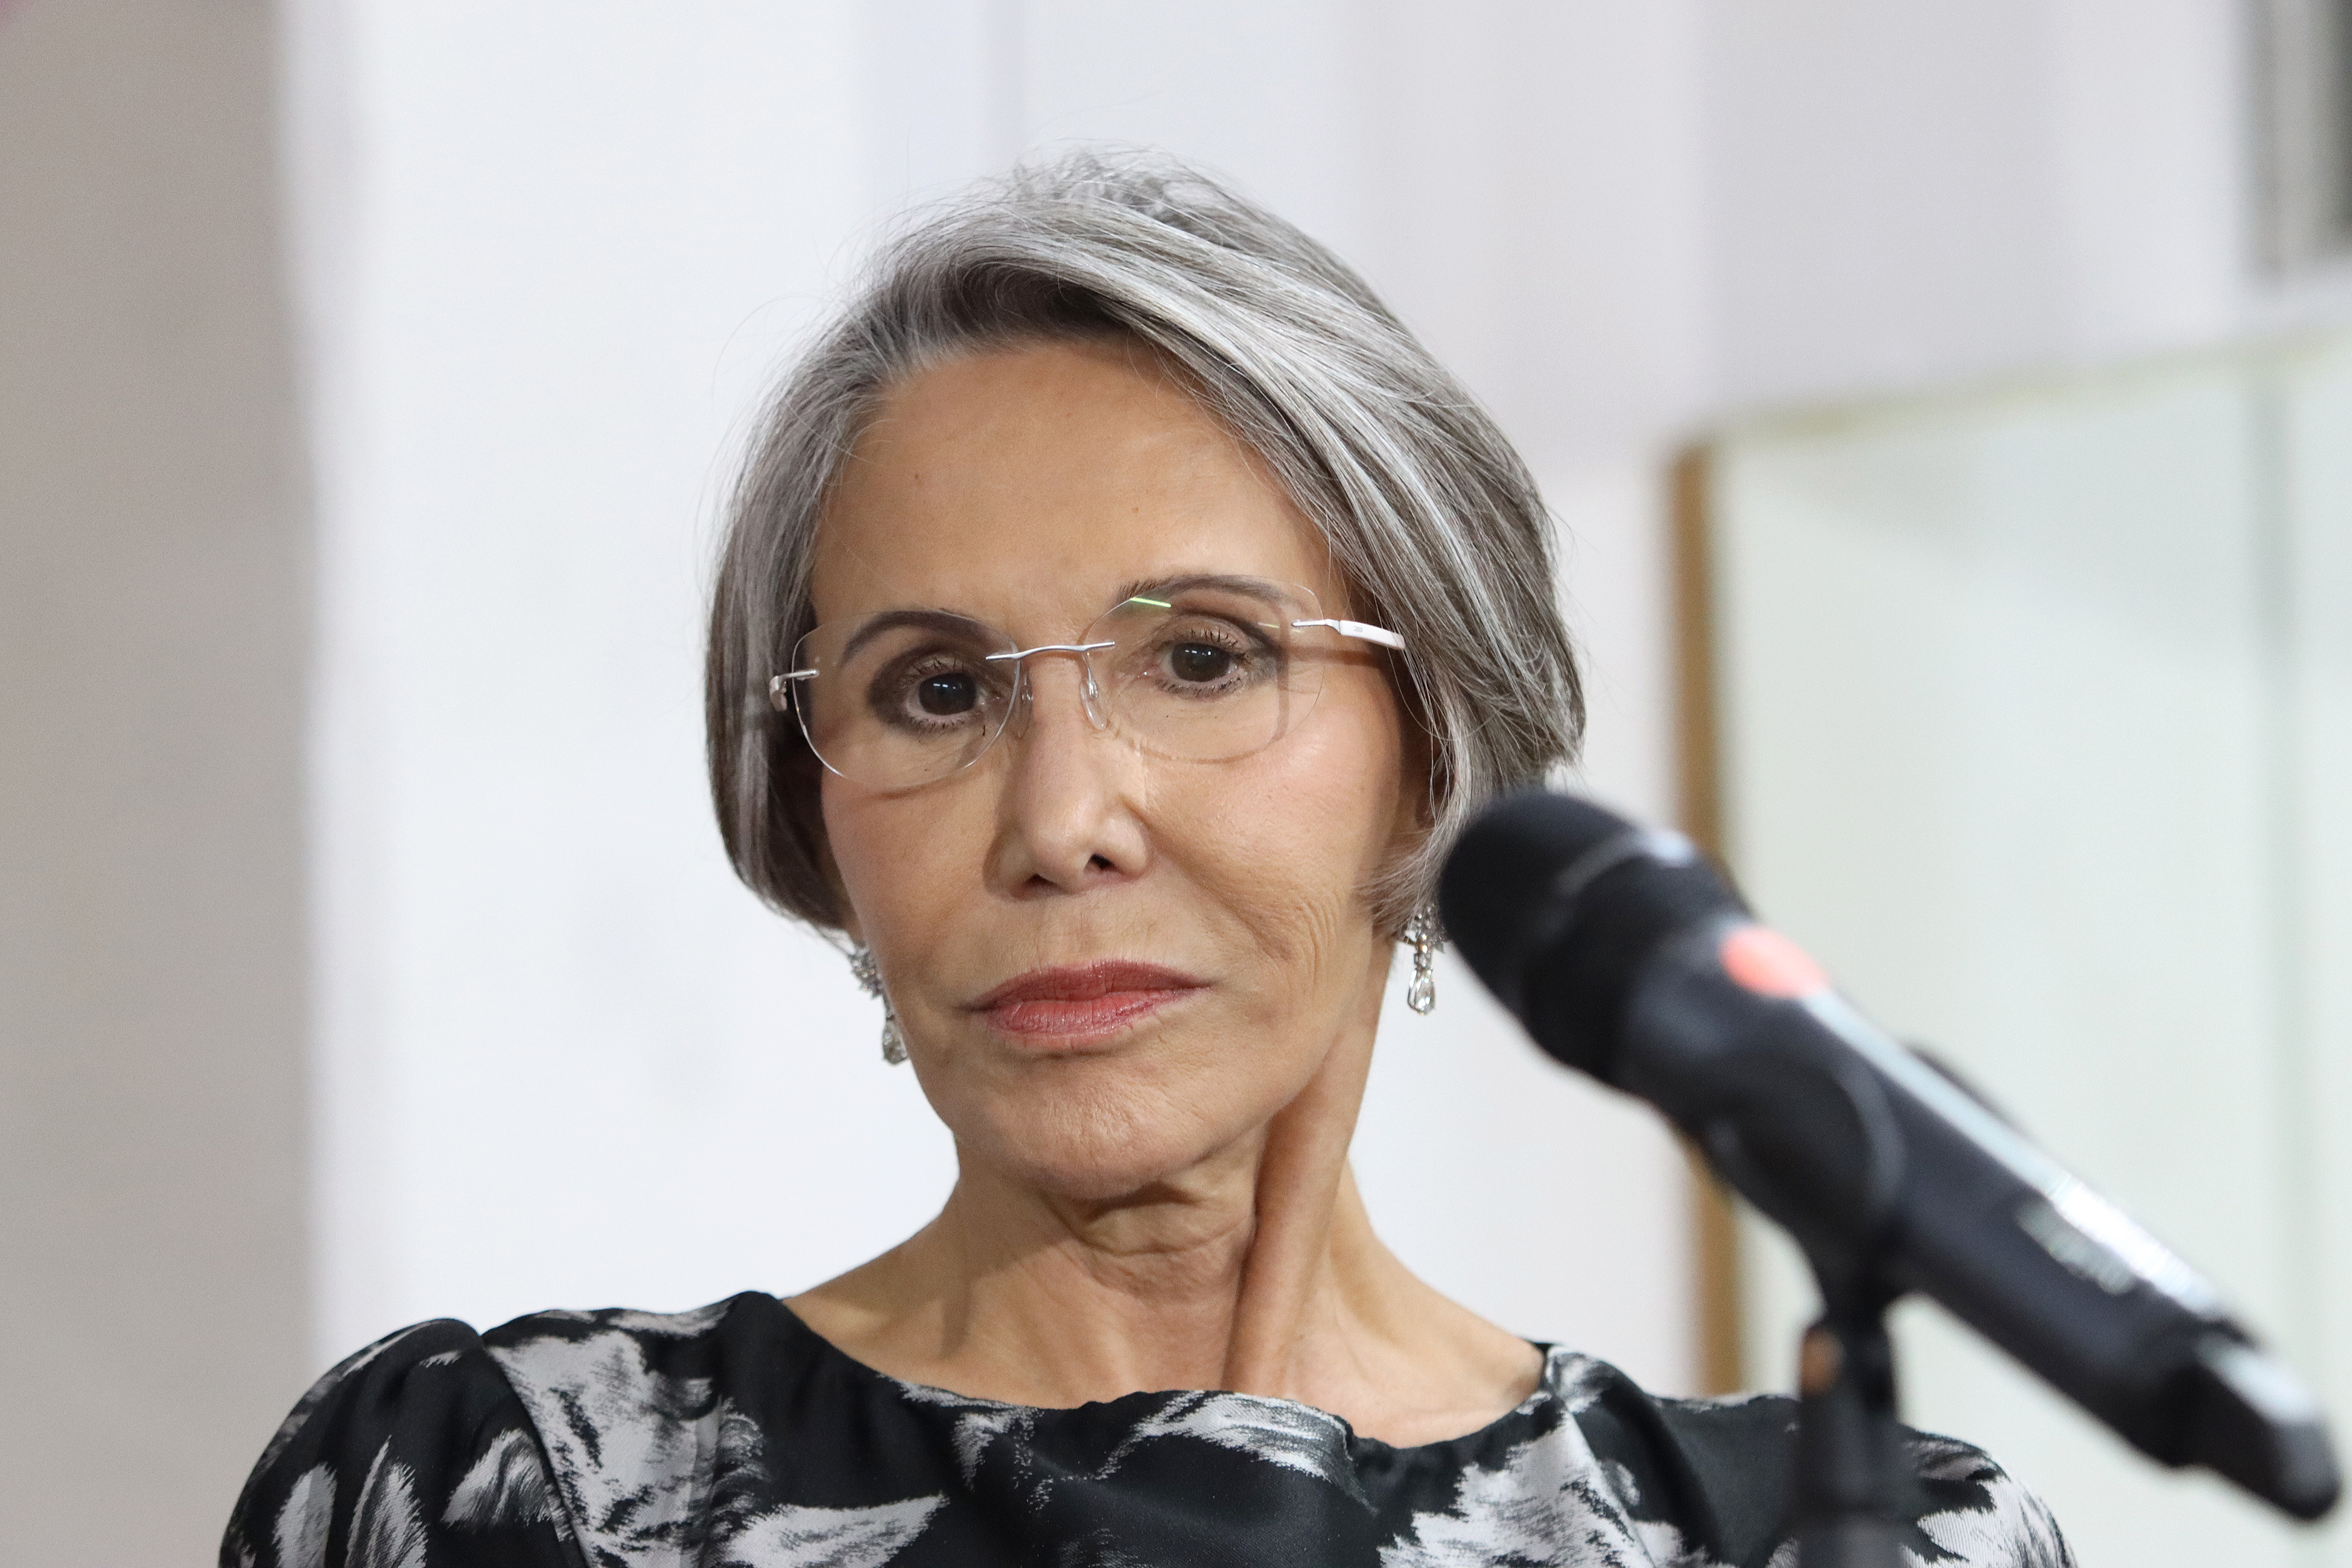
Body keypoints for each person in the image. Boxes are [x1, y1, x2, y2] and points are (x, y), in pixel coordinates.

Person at [223, 152, 2072, 1568]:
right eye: (935, 690)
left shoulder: (1825, 1538)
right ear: (811, 808)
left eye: (1200, 658)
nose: (1056, 822)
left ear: (1433, 744)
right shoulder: (505, 1489)